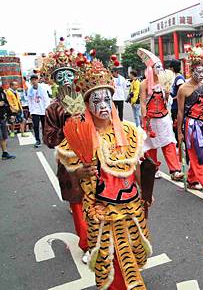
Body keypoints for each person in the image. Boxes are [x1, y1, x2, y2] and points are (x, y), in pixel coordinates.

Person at [56, 58, 152, 289]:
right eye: (96, 100)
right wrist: (81, 171)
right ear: (87, 104)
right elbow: (70, 177)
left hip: (131, 205)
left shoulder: (129, 130)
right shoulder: (80, 134)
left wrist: (146, 193)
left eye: (107, 99)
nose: (103, 105)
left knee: (132, 253)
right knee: (110, 260)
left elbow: (137, 166)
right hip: (101, 209)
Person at [40, 41, 90, 263]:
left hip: (92, 157)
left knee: (98, 199)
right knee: (77, 202)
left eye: (69, 74)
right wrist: (70, 131)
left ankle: (104, 240)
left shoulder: (87, 100)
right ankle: (87, 245)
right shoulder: (53, 108)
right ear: (54, 80)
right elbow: (49, 138)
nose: (66, 79)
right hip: (69, 162)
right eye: (60, 76)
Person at [177, 44, 203, 201]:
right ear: (190, 70)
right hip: (191, 127)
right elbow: (180, 112)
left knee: (201, 152)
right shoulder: (183, 89)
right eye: (198, 71)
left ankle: (192, 180)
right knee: (198, 155)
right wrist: (180, 132)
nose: (201, 74)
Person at [137, 48, 184, 181]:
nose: (160, 69)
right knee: (151, 146)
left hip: (163, 117)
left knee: (168, 142)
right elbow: (142, 103)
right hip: (150, 119)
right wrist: (144, 119)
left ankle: (175, 170)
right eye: (157, 67)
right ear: (151, 69)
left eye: (161, 67)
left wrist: (168, 94)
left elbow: (168, 101)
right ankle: (153, 168)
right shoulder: (144, 84)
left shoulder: (164, 82)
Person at [28, 74, 50, 147]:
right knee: (36, 126)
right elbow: (30, 101)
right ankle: (37, 140)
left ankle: (45, 139)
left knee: (44, 126)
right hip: (35, 111)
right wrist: (31, 111)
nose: (34, 81)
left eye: (35, 79)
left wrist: (47, 109)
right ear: (31, 81)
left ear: (37, 80)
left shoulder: (43, 89)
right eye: (32, 80)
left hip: (43, 110)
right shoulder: (30, 90)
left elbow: (46, 100)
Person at [168, 59, 185, 143]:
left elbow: (181, 93)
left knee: (177, 126)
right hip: (174, 106)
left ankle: (180, 145)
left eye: (170, 68)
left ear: (173, 68)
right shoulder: (175, 77)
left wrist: (171, 98)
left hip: (177, 107)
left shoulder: (179, 79)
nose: (169, 70)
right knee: (174, 127)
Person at [0, 83, 16, 159]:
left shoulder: (2, 92)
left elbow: (6, 104)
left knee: (3, 136)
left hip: (2, 117)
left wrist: (11, 114)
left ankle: (5, 153)